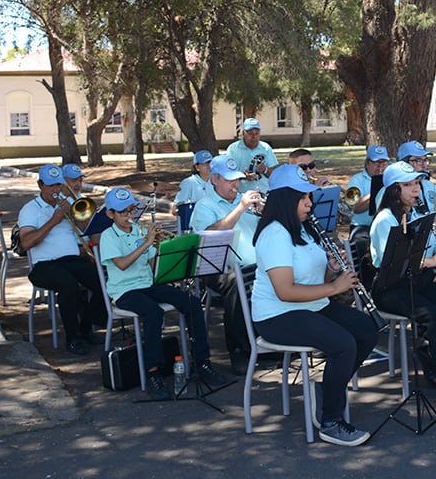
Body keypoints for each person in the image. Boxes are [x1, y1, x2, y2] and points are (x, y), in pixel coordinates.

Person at [252, 164, 377, 447]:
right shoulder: (275, 234)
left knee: (366, 330)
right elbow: (285, 291)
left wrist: (333, 271)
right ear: (286, 200)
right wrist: (335, 287)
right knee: (343, 343)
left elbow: (313, 277)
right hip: (277, 315)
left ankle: (329, 386)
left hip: (311, 305)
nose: (310, 203)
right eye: (304, 198)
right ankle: (331, 421)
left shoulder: (304, 230)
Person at [99, 187, 229, 399]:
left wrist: (166, 254)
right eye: (123, 212)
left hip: (148, 284)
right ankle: (153, 373)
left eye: (131, 210)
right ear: (110, 214)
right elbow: (121, 264)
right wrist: (148, 243)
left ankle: (202, 362)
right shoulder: (108, 236)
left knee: (192, 302)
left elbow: (152, 266)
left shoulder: (139, 231)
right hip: (125, 290)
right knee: (153, 313)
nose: (129, 216)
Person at [369, 161, 436, 414]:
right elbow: (393, 264)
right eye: (408, 185)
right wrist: (432, 260)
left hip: (419, 282)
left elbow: (425, 253)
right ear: (394, 190)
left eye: (417, 183)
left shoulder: (418, 214)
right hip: (391, 288)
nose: (416, 189)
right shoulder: (385, 220)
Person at [18, 164, 107, 355]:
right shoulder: (30, 209)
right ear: (40, 184)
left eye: (59, 184)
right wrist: (54, 220)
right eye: (51, 185)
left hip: (71, 260)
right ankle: (72, 338)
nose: (56, 190)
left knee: (103, 279)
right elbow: (26, 243)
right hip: (44, 265)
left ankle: (85, 328)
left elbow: (87, 229)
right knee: (69, 284)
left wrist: (74, 216)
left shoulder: (68, 203)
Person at [190, 154, 263, 375]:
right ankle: (239, 350)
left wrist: (266, 213)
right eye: (230, 180)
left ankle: (273, 338)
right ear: (215, 179)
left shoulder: (247, 200)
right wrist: (240, 209)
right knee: (235, 283)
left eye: (238, 179)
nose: (236, 184)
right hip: (219, 267)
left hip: (255, 265)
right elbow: (207, 235)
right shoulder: (205, 206)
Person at [345, 145, 390, 286]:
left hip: (385, 225)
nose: (380, 166)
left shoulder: (391, 179)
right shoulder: (356, 180)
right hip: (362, 226)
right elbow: (355, 208)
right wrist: (376, 191)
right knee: (362, 245)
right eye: (377, 163)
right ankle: (368, 286)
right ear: (367, 163)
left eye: (384, 162)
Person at [226, 118, 279, 193]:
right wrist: (243, 176)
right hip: (241, 194)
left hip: (264, 193)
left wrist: (265, 169)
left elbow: (275, 173)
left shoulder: (266, 148)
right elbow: (227, 174)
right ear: (243, 133)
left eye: (256, 133)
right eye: (250, 133)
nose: (253, 137)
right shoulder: (233, 149)